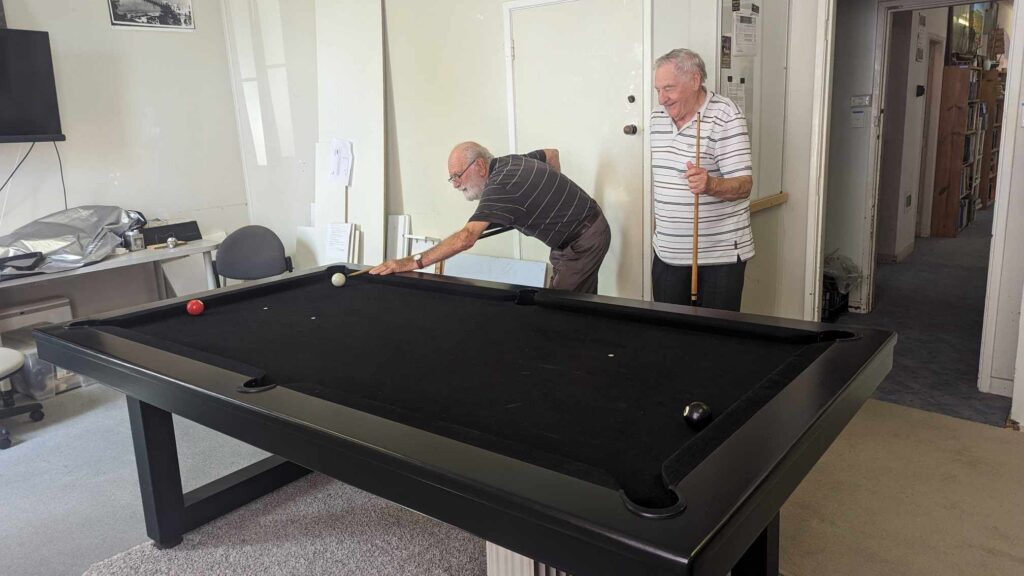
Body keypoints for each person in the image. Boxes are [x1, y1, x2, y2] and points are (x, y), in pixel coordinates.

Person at [370, 142, 611, 293]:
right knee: (580, 300)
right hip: (575, 235)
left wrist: (408, 263)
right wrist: (554, 198)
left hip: (583, 239)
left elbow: (466, 238)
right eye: (451, 178)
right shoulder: (510, 162)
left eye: (458, 175)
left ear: (480, 166)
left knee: (563, 310)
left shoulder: (499, 189)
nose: (455, 184)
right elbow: (551, 154)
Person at [651, 48, 754, 311]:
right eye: (658, 90)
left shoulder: (726, 115)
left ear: (695, 81)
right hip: (667, 252)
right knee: (669, 336)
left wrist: (710, 185)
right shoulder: (656, 119)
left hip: (718, 256)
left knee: (715, 340)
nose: (662, 98)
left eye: (669, 88)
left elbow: (744, 185)